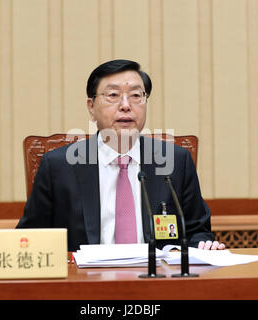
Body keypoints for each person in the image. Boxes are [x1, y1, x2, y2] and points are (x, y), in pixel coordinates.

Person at [16, 59, 225, 252]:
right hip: (86, 285)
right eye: (113, 95)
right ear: (91, 107)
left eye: (136, 95)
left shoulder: (174, 161)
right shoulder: (59, 166)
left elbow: (198, 231)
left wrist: (204, 246)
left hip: (157, 282)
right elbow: (30, 238)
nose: (126, 105)